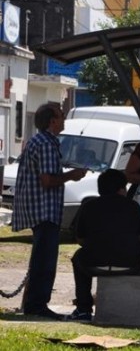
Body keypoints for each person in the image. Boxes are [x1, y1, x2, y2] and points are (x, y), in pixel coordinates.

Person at [12, 103, 87, 319]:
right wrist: (70, 176)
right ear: (52, 121)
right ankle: (37, 305)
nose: (64, 119)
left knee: (42, 258)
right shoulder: (45, 143)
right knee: (45, 260)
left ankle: (34, 302)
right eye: (61, 116)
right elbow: (47, 180)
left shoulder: (43, 142)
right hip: (43, 208)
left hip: (41, 207)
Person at [67, 169, 140, 321]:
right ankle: (135, 306)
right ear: (121, 189)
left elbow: (80, 238)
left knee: (78, 257)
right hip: (130, 265)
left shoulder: (89, 206)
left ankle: (83, 309)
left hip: (93, 263)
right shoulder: (133, 207)